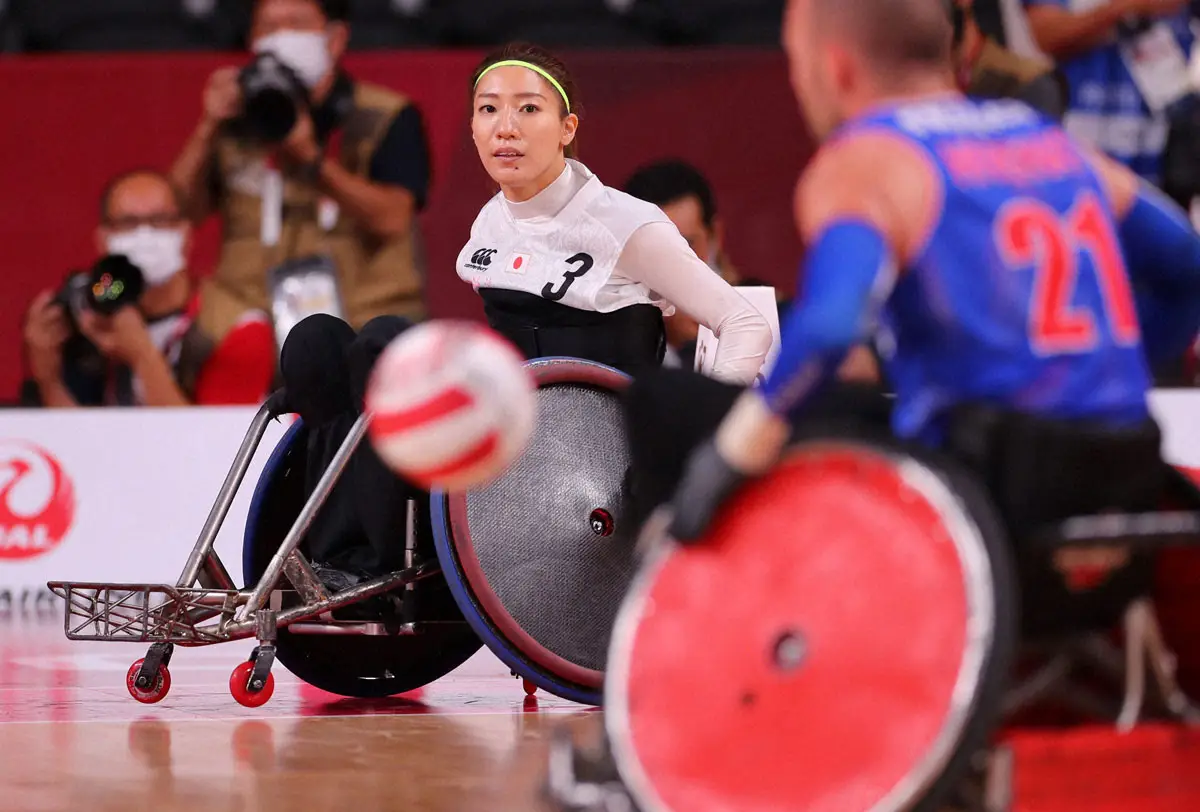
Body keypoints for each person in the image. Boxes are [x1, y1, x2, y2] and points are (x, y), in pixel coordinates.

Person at [646, 0, 1200, 542]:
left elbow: (831, 329)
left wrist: (732, 453)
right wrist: (1110, 363)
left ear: (834, 66)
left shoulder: (869, 155)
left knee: (660, 402)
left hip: (992, 474)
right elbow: (1188, 265)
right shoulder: (1048, 139)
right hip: (1125, 458)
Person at [456, 43, 773, 383]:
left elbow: (744, 323)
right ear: (473, 127)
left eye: (529, 108)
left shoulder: (626, 224)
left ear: (568, 128)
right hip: (522, 433)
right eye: (488, 108)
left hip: (622, 433)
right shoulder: (489, 223)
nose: (505, 127)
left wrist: (710, 422)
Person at [170, 0, 432, 357]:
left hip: (362, 323)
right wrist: (207, 125)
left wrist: (313, 161)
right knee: (200, 342)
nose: (281, 38)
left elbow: (392, 219)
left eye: (295, 24)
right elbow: (177, 213)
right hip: (252, 327)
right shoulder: (235, 121)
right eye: (269, 28)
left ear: (335, 39)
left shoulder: (385, 116)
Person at [20, 169, 276, 408]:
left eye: (159, 221)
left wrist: (141, 355)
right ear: (102, 239)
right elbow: (74, 445)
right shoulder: (91, 313)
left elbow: (212, 447)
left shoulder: (238, 327)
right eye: (128, 223)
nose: (144, 235)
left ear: (186, 235)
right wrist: (48, 378)